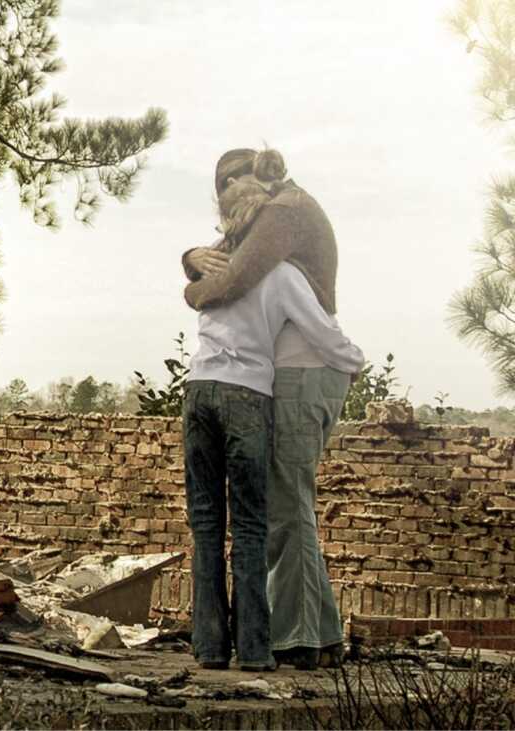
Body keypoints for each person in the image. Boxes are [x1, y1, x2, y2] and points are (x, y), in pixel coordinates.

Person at [179, 150, 364, 671]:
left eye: (230, 184)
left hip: (288, 373)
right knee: (271, 512)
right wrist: (192, 259)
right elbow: (225, 267)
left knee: (262, 511)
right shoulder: (264, 249)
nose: (226, 195)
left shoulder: (280, 225)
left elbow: (232, 286)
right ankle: (291, 639)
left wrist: (192, 286)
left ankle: (284, 639)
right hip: (264, 383)